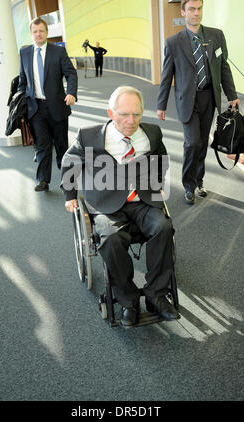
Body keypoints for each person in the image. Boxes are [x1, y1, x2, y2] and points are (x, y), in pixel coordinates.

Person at [61, 86, 180, 327]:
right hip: (106, 205)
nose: (131, 121)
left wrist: (156, 182)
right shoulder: (89, 136)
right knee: (111, 239)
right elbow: (69, 162)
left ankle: (156, 294)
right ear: (110, 112)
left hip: (142, 201)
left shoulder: (152, 134)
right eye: (124, 114)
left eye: (136, 114)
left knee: (164, 228)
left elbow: (161, 158)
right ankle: (128, 300)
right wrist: (69, 195)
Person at [156, 0, 240, 205]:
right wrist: (161, 104)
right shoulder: (174, 42)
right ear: (183, 12)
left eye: (199, 8)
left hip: (209, 98)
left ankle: (199, 181)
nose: (196, 13)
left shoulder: (216, 36)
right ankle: (188, 185)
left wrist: (232, 95)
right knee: (192, 143)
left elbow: (223, 67)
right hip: (187, 101)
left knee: (202, 143)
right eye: (192, 9)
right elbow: (167, 75)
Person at [18, 17, 78, 192]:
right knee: (42, 145)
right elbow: (23, 79)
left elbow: (71, 73)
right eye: (35, 31)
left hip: (57, 106)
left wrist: (71, 92)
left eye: (41, 31)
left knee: (61, 145)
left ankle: (68, 180)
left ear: (47, 32)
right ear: (31, 34)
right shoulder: (25, 53)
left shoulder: (58, 51)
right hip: (35, 108)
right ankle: (43, 180)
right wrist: (20, 98)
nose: (38, 34)